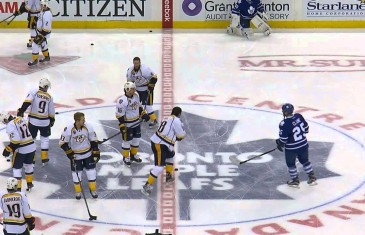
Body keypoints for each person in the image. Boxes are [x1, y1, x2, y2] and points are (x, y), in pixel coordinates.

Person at [141, 107, 186, 196]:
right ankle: (147, 185)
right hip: (160, 144)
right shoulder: (176, 120)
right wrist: (180, 136)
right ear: (179, 114)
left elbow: (170, 131)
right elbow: (181, 135)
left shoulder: (167, 118)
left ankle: (168, 176)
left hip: (163, 143)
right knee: (160, 166)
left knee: (170, 156)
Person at [59, 112, 101, 200]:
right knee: (76, 174)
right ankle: (78, 191)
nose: (84, 121)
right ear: (77, 121)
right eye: (82, 120)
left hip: (88, 154)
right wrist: (69, 153)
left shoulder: (88, 126)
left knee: (91, 173)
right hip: (76, 156)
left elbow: (93, 140)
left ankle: (93, 190)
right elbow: (62, 143)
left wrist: (96, 151)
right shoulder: (68, 129)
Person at [275, 103, 317, 188]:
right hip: (303, 144)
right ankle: (312, 177)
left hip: (292, 148)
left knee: (291, 164)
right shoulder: (299, 116)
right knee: (305, 161)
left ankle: (295, 180)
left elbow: (284, 139)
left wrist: (280, 143)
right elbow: (306, 128)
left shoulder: (284, 123)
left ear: (285, 113)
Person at [17, 77, 55, 166]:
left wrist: (21, 111)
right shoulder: (49, 97)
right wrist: (52, 119)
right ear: (45, 86)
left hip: (33, 121)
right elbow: (51, 111)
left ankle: (32, 158)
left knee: (32, 139)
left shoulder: (34, 91)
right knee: (45, 139)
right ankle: (44, 158)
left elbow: (27, 102)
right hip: (45, 121)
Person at [116, 82, 150, 167]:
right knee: (127, 141)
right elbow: (120, 115)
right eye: (132, 88)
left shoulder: (136, 96)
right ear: (127, 90)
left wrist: (143, 114)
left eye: (134, 88)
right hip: (128, 124)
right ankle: (126, 157)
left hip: (136, 122)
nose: (134, 90)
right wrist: (122, 126)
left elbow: (139, 107)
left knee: (136, 140)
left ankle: (133, 155)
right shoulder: (121, 101)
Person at [0, 112, 36, 192]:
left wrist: (8, 149)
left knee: (16, 168)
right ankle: (29, 183)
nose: (4, 123)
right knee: (29, 165)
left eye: (3, 121)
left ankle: (18, 188)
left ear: (5, 119)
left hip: (21, 149)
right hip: (32, 146)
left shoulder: (10, 125)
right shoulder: (20, 119)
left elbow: (16, 140)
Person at [126, 57, 158, 128]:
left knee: (148, 106)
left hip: (147, 89)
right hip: (137, 89)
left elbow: (155, 76)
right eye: (134, 63)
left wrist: (151, 85)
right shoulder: (130, 70)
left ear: (140, 63)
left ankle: (154, 120)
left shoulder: (145, 69)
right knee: (136, 104)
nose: (136, 64)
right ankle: (139, 117)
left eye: (137, 63)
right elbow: (129, 82)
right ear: (133, 63)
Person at [27, 0, 52, 66]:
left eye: (42, 5)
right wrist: (36, 21)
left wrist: (42, 35)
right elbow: (41, 20)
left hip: (43, 33)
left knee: (35, 44)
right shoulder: (43, 11)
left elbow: (46, 27)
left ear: (45, 5)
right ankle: (47, 57)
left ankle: (34, 59)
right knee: (43, 43)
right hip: (41, 32)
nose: (40, 6)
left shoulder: (47, 14)